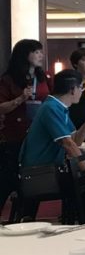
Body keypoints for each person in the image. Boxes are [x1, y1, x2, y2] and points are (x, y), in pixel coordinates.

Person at [20, 69, 85, 190]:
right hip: (40, 171)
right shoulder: (51, 108)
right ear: (73, 89)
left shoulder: (58, 107)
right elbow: (68, 144)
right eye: (81, 88)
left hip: (51, 168)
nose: (82, 92)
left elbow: (75, 141)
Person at [0, 39, 51, 213]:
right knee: (9, 177)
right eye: (36, 52)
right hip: (15, 133)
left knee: (33, 179)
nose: (41, 55)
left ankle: (27, 216)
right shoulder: (8, 79)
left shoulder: (43, 77)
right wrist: (21, 99)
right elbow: (2, 107)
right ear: (24, 54)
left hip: (37, 134)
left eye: (41, 52)